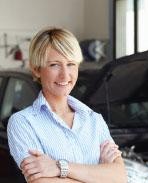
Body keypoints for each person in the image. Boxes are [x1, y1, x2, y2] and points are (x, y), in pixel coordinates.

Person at [7, 27, 127, 183]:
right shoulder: (23, 123)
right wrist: (100, 175)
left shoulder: (94, 120)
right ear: (36, 70)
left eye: (71, 64)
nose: (65, 75)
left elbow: (120, 177)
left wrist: (59, 167)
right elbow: (41, 182)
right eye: (54, 65)